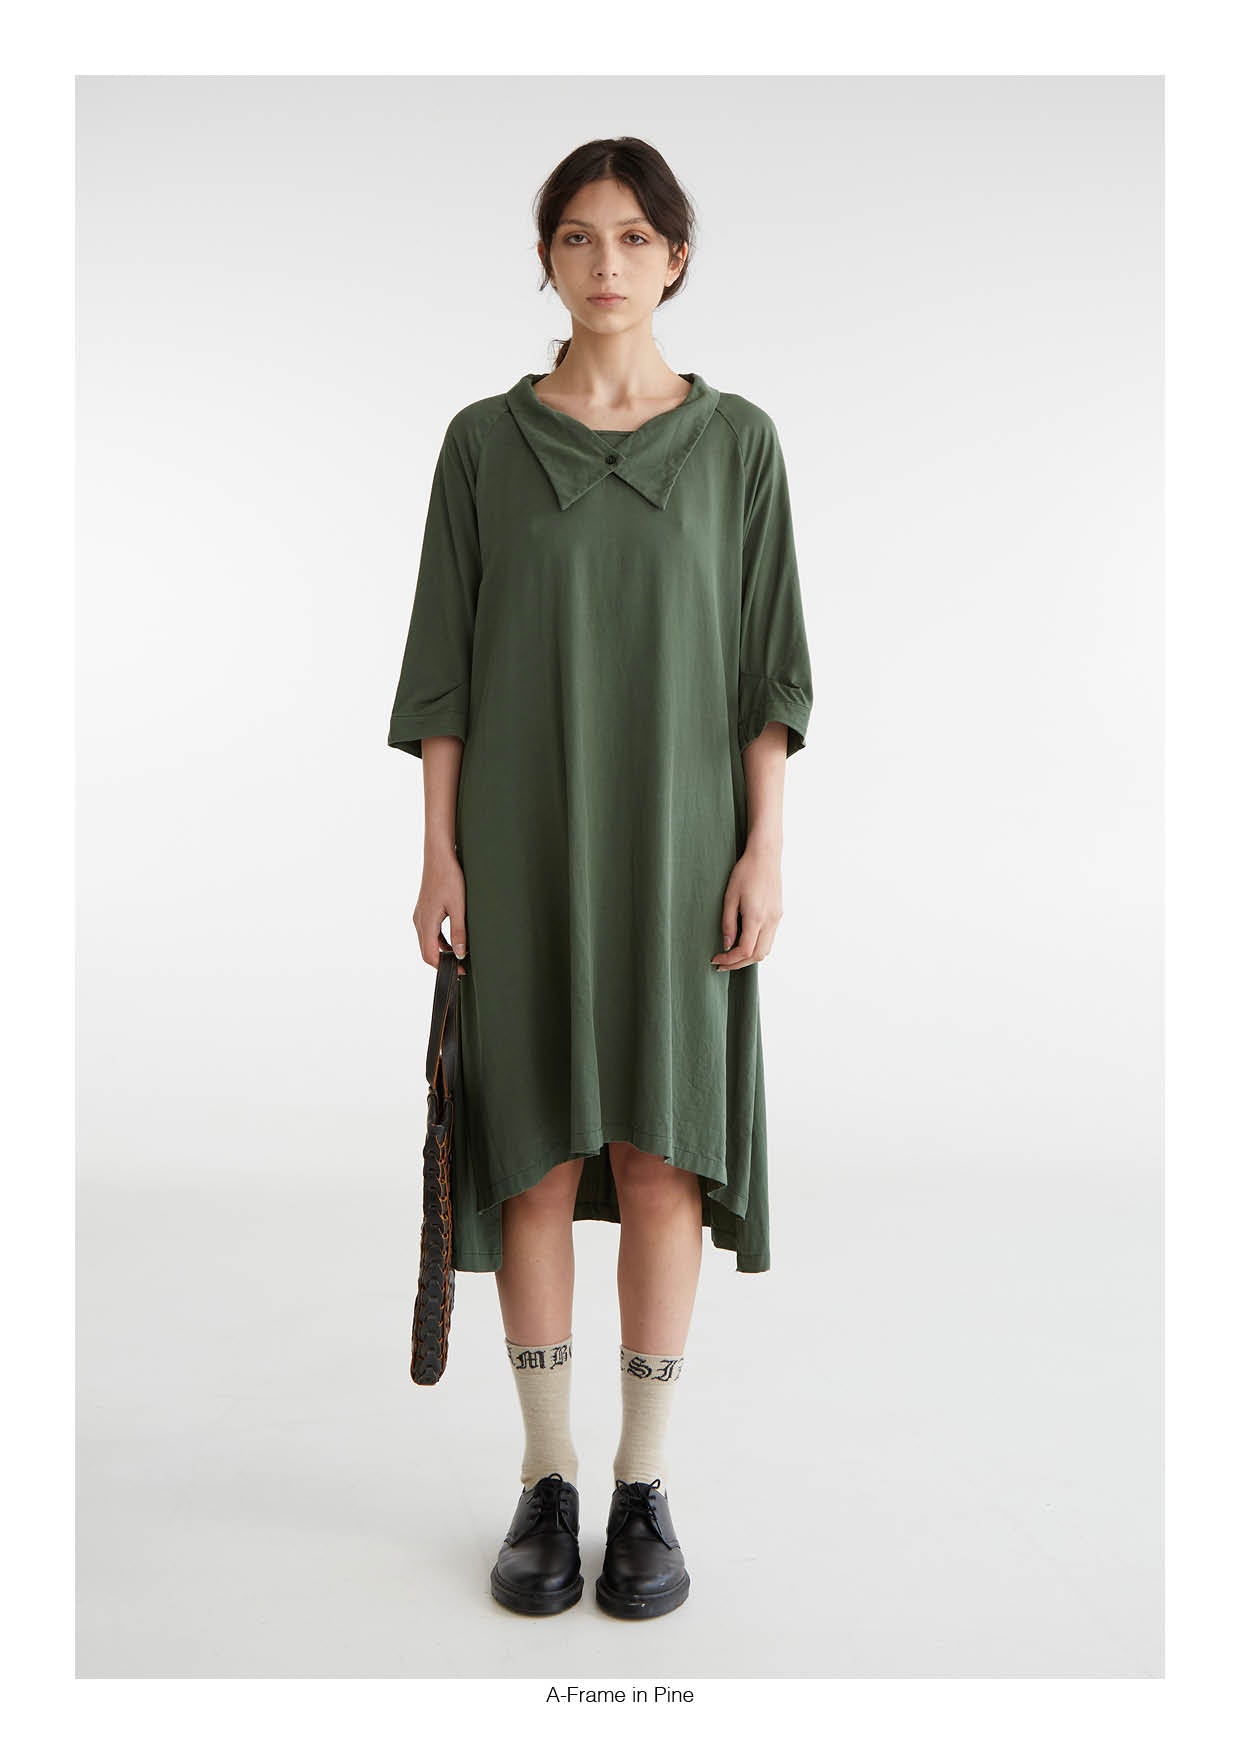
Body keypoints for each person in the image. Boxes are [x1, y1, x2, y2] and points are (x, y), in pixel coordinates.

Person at [387, 137, 814, 1619]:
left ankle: (643, 1481)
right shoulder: (482, 444)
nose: (608, 262)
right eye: (579, 236)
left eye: (635, 237)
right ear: (547, 260)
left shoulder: (739, 444)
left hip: (685, 847)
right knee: (536, 1148)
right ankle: (546, 1476)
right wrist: (439, 848)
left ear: (676, 257)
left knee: (659, 1152)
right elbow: (443, 666)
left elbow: (768, 670)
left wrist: (764, 844)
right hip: (520, 843)